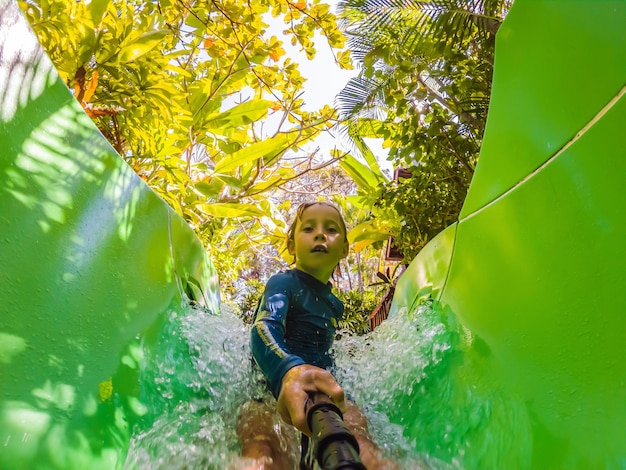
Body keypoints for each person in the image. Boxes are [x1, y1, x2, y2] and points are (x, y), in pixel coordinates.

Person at [236, 201, 397, 469]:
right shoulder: (283, 283)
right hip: (268, 390)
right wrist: (288, 371)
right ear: (291, 245)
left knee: (360, 437)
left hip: (320, 390)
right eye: (309, 228)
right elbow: (264, 327)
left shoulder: (335, 304)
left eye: (331, 229)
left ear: (345, 248)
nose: (320, 234)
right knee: (262, 447)